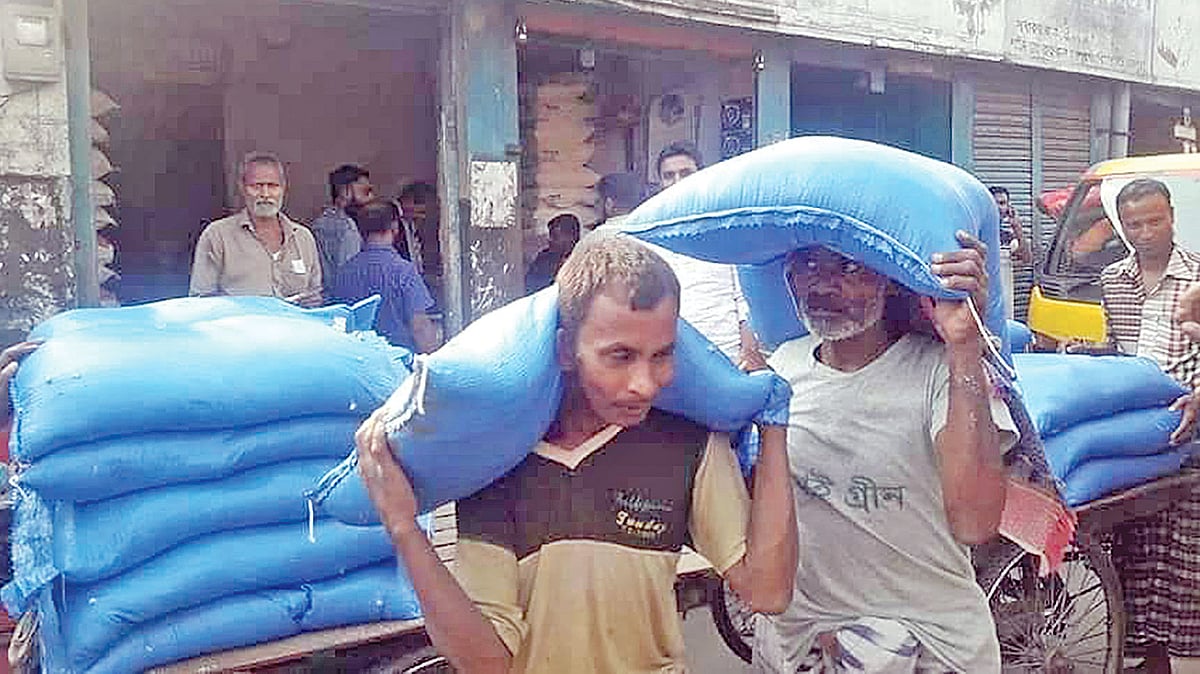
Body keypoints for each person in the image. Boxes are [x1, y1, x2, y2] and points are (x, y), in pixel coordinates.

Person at [355, 232, 798, 673]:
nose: (644, 383)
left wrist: (773, 427)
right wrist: (404, 528)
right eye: (620, 356)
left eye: (662, 355)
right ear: (567, 350)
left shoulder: (688, 444)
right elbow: (487, 662)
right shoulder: (502, 460)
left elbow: (767, 591)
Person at [754, 232, 1018, 673]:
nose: (822, 285)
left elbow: (976, 522)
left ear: (891, 279)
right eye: (808, 265)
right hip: (804, 645)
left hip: (930, 644)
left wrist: (966, 347)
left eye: (849, 268)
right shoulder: (782, 366)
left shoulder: (941, 370)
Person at [1094, 178, 1200, 674]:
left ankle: (1180, 655)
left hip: (1189, 424)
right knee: (1132, 544)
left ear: (1172, 215)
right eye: (1133, 224)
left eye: (1154, 220)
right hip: (1137, 431)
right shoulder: (1113, 278)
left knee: (1181, 551)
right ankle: (1145, 654)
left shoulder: (1197, 275)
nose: (1144, 232)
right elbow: (1118, 347)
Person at [189, 151, 322, 306]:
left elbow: (315, 296)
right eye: (256, 186)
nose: (265, 194)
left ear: (283, 188)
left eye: (273, 186)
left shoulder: (303, 238)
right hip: (239, 329)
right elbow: (200, 302)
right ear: (242, 188)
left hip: (295, 327)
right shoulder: (217, 236)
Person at [332, 199, 439, 354]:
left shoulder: (343, 273)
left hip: (360, 362)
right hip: (399, 363)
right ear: (395, 227)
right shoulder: (403, 271)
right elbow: (420, 327)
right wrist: (434, 362)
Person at [311, 164, 371, 280]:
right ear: (345, 191)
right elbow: (350, 276)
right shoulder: (346, 227)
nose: (371, 198)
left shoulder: (320, 222)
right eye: (365, 192)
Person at [989, 186, 1032, 320]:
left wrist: (1017, 227)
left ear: (1008, 208)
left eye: (1002, 203)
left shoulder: (1007, 237)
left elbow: (1026, 257)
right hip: (983, 302)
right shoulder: (976, 234)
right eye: (993, 203)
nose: (997, 208)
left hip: (1004, 305)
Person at [524, 213, 580, 294]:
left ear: (571, 237)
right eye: (550, 235)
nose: (550, 240)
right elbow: (530, 286)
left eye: (555, 236)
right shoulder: (543, 258)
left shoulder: (583, 260)